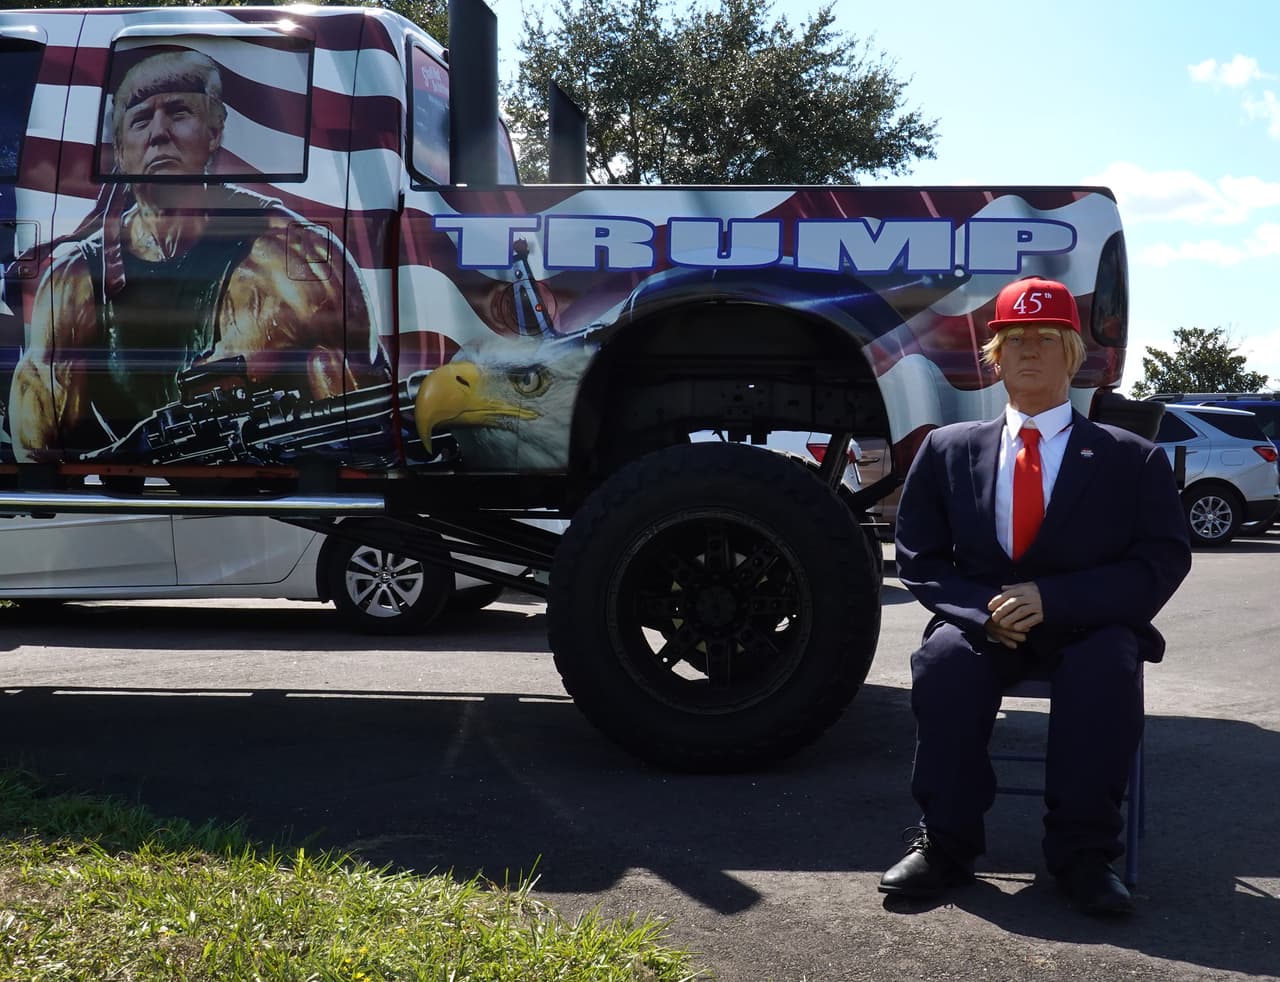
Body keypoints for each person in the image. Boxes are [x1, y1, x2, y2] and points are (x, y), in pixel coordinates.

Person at [879, 276, 1192, 915]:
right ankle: (946, 845)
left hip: (1088, 624)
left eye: (1046, 337)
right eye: (1013, 338)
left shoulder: (1131, 458)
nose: (1028, 349)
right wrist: (980, 612)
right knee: (942, 664)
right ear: (994, 356)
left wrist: (1056, 600)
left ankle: (1083, 856)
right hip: (984, 623)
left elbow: (1159, 561)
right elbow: (919, 556)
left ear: (1073, 356)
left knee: (1106, 669)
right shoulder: (946, 449)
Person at [8, 49, 387, 462]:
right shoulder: (76, 277)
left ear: (214, 131)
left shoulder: (288, 253)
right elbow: (37, 449)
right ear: (120, 148)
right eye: (140, 120)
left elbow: (366, 423)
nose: (158, 133)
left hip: (283, 490)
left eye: (178, 112)